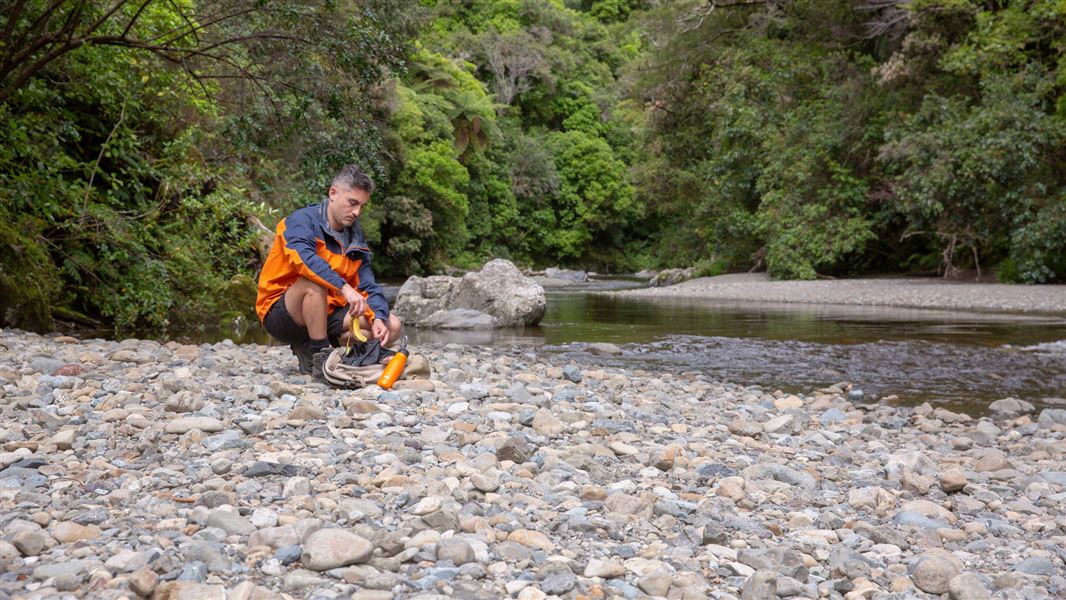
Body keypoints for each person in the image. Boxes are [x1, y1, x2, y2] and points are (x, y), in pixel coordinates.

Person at [255, 164, 402, 380]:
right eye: (352, 203)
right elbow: (305, 261)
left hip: (328, 312)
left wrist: (378, 317)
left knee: (393, 326)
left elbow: (368, 285)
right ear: (333, 193)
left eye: (362, 206)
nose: (356, 212)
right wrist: (344, 288)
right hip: (282, 312)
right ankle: (321, 358)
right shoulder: (299, 222)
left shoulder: (355, 238)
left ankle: (340, 352)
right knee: (315, 283)